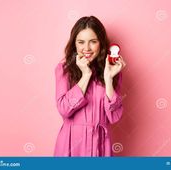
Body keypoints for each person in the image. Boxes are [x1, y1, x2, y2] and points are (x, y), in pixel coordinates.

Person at [54, 16, 126, 157]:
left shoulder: (112, 70)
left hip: (100, 144)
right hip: (70, 144)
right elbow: (63, 109)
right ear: (74, 44)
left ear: (101, 43)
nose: (86, 48)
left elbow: (114, 116)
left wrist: (109, 79)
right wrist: (85, 75)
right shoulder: (64, 69)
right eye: (81, 42)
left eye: (93, 42)